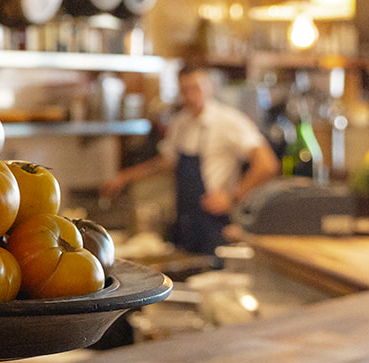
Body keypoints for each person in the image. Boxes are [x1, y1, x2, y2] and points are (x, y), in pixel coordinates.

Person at [101, 63, 278, 255]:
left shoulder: (229, 121)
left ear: (208, 87)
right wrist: (124, 177)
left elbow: (267, 164)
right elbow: (166, 162)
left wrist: (233, 196)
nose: (191, 96)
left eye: (196, 88)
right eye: (185, 90)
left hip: (214, 223)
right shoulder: (180, 123)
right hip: (184, 223)